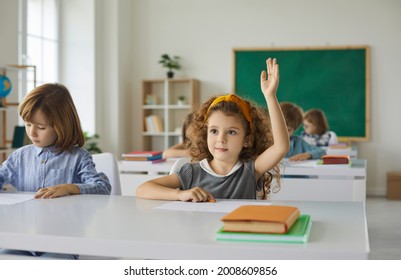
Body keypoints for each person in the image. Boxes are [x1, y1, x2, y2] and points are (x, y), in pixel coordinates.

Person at [137, 58, 289, 201]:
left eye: (231, 132)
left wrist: (270, 96)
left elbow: (281, 147)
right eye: (214, 131)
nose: (221, 139)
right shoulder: (191, 172)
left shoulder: (250, 171)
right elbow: (143, 189)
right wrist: (180, 194)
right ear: (206, 134)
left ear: (247, 140)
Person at [0, 83, 111, 259]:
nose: (32, 132)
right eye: (28, 124)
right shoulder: (20, 156)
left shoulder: (78, 157)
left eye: (41, 127)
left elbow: (103, 187)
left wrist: (70, 188)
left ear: (61, 126)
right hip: (22, 238)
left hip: (63, 241)